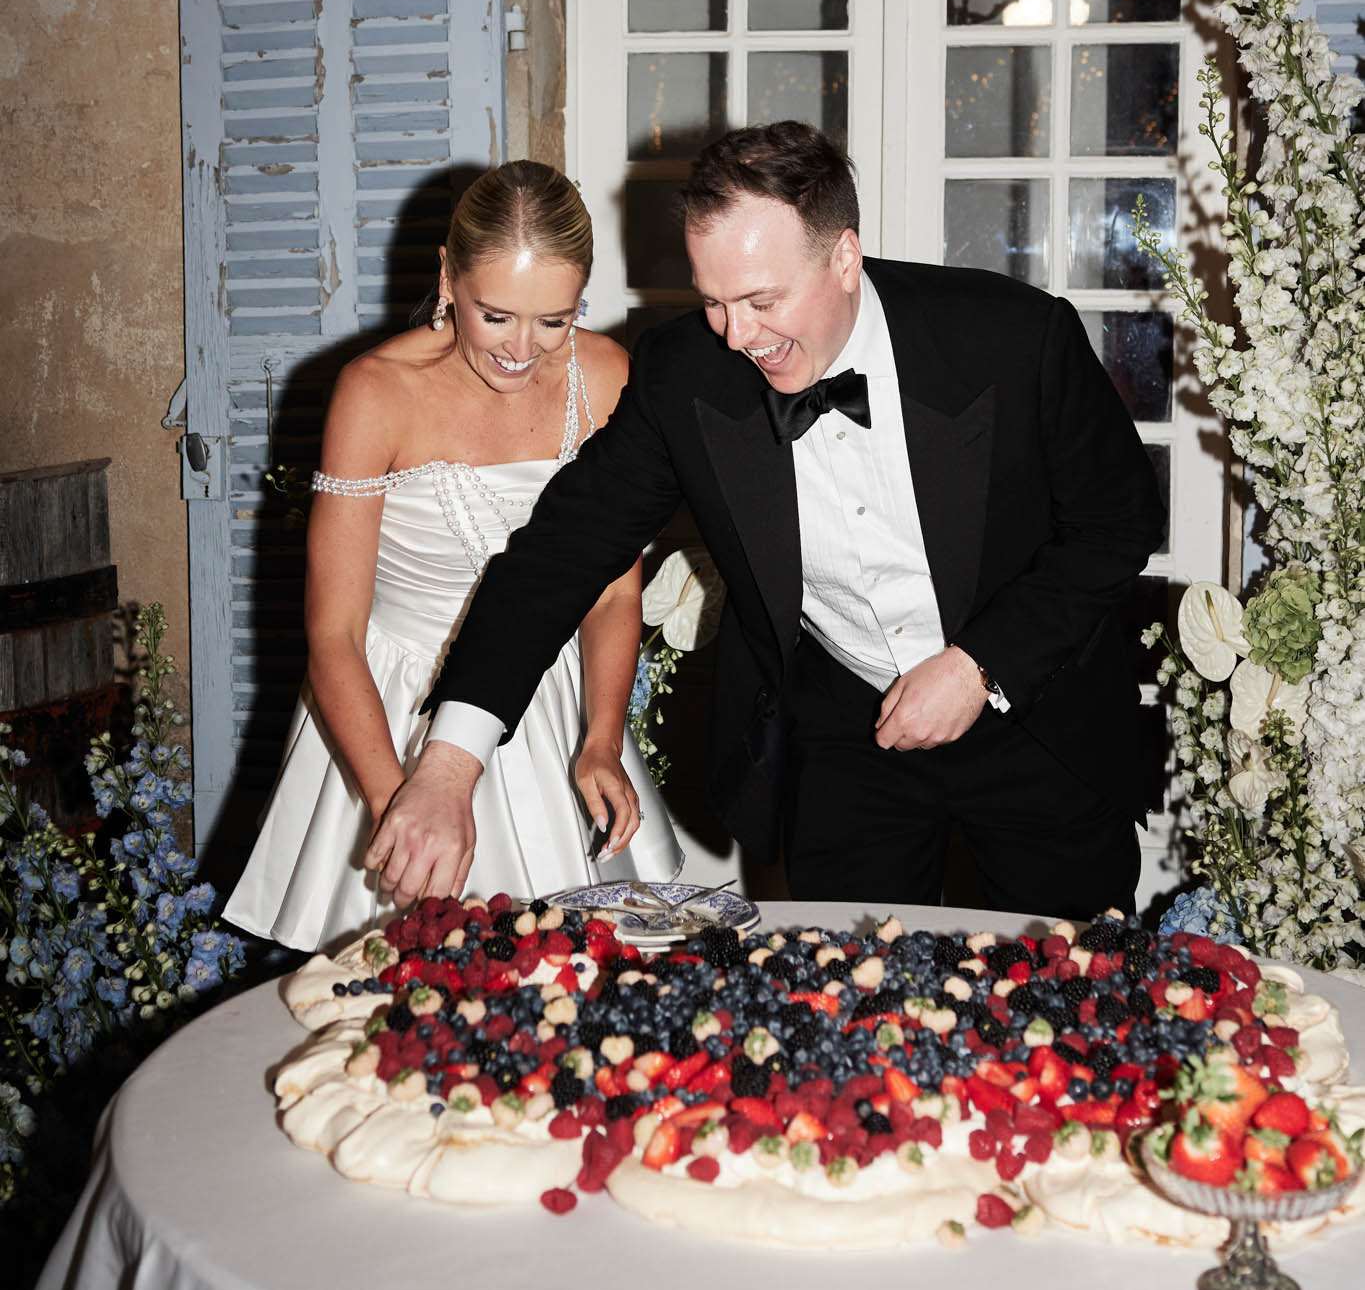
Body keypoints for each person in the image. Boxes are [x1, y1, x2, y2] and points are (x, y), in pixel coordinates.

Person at [386, 122, 1165, 917]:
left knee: (1070, 998)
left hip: (1038, 720)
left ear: (843, 257)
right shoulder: (685, 375)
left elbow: (1116, 522)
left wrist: (979, 665)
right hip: (847, 742)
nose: (736, 334)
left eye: (761, 300)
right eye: (714, 301)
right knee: (841, 1005)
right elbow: (559, 555)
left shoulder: (1011, 337)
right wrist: (450, 764)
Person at [224, 161, 681, 950]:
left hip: (550, 705)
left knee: (577, 981)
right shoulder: (374, 391)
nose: (523, 350)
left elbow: (609, 592)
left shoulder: (606, 377)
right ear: (446, 275)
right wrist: (396, 801)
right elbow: (333, 634)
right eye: (496, 315)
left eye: (554, 321)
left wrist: (600, 736)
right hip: (390, 716)